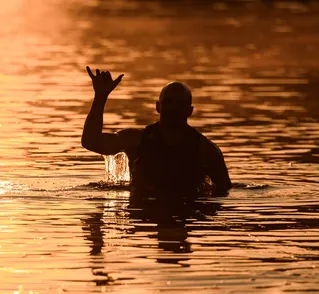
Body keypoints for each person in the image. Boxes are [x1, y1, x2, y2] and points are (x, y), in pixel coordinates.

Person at [81, 66, 232, 198]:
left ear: (189, 110)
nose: (173, 107)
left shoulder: (206, 150)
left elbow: (224, 192)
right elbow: (91, 141)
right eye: (168, 101)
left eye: (180, 103)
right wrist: (100, 97)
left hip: (188, 214)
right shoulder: (136, 140)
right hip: (145, 219)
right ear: (158, 107)